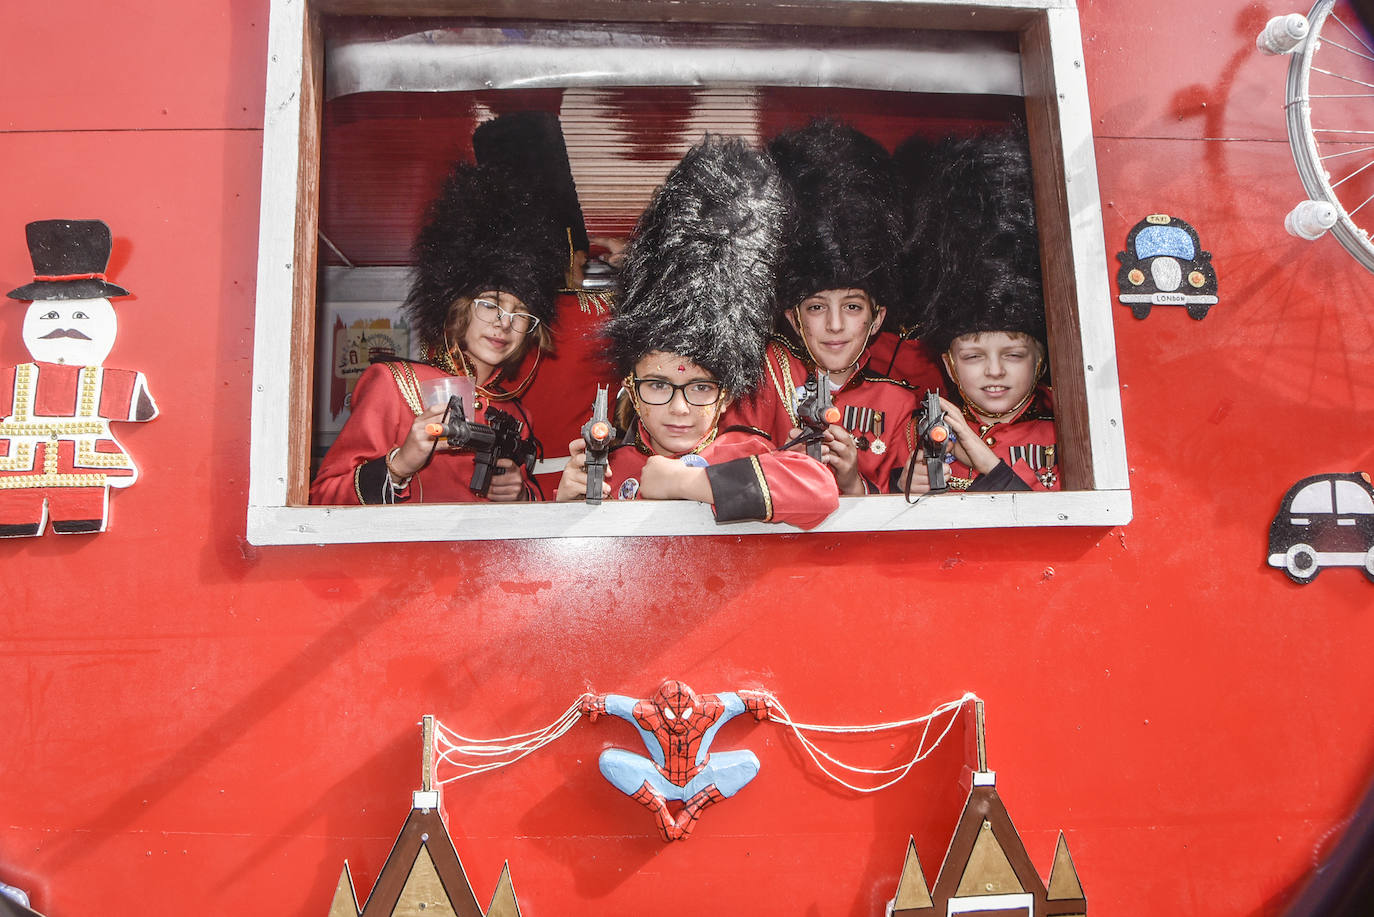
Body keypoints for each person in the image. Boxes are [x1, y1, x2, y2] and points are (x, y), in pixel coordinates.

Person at [555, 135, 839, 530]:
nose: (680, 408)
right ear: (632, 391)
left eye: (700, 388)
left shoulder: (750, 451)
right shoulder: (609, 470)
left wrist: (685, 481)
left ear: (726, 398)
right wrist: (563, 508)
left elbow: (819, 491)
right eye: (658, 386)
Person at [310, 156, 565, 505]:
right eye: (490, 304)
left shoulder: (518, 415)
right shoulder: (396, 384)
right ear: (460, 308)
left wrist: (520, 495)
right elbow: (323, 499)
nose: (503, 323)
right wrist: (399, 465)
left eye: (520, 315)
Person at [725, 119, 920, 495]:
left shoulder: (899, 405)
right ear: (793, 318)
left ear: (877, 318)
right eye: (816, 308)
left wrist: (852, 483)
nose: (834, 325)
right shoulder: (763, 378)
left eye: (851, 307)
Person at [898, 127, 1059, 493]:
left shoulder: (1063, 439)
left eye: (1015, 354)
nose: (995, 370)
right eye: (972, 356)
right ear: (950, 366)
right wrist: (899, 488)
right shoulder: (909, 431)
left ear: (1041, 361)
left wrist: (989, 466)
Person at [0, 219, 158, 536]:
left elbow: (143, 410)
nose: (65, 326)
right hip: (15, 470)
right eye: (51, 315)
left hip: (85, 466)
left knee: (80, 512)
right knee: (15, 517)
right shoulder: (10, 381)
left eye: (81, 315)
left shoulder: (105, 384)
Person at [581, 680, 773, 842]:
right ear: (659, 709)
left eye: (687, 714)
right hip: (660, 779)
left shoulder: (713, 709)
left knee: (749, 763)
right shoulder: (644, 713)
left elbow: (739, 701)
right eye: (670, 715)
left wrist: (758, 702)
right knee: (609, 761)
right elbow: (618, 705)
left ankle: (696, 804)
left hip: (699, 777)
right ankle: (657, 805)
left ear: (695, 707)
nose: (679, 722)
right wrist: (596, 703)